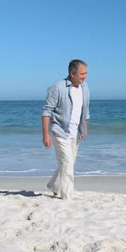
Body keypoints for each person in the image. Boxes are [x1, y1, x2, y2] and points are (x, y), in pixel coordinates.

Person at [42, 59, 90, 200]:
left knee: (68, 162)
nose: (84, 77)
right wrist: (46, 135)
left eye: (86, 73)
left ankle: (54, 185)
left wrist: (84, 127)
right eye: (82, 74)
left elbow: (85, 109)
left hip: (75, 131)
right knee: (68, 163)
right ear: (72, 73)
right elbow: (46, 112)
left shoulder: (85, 87)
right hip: (59, 130)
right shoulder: (57, 88)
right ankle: (67, 195)